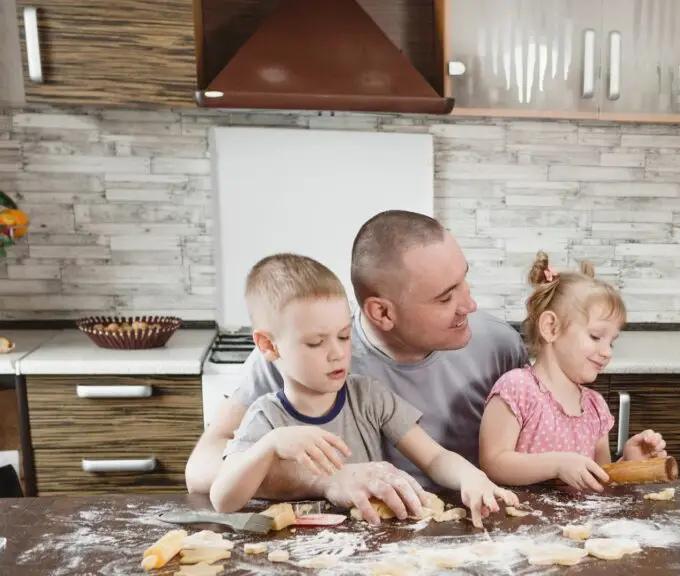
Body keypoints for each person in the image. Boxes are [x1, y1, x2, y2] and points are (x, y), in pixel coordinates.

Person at [186, 210, 528, 524]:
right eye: (445, 297)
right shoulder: (293, 355)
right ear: (381, 312)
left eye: (464, 281)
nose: (470, 304)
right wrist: (326, 479)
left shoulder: (500, 345)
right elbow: (204, 468)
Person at [478, 252, 667, 491]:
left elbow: (599, 478)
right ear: (551, 328)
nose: (607, 352)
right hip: (520, 523)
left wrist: (629, 463)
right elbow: (493, 462)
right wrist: (557, 464)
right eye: (596, 336)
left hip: (578, 527)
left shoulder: (595, 408)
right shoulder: (517, 389)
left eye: (611, 342)